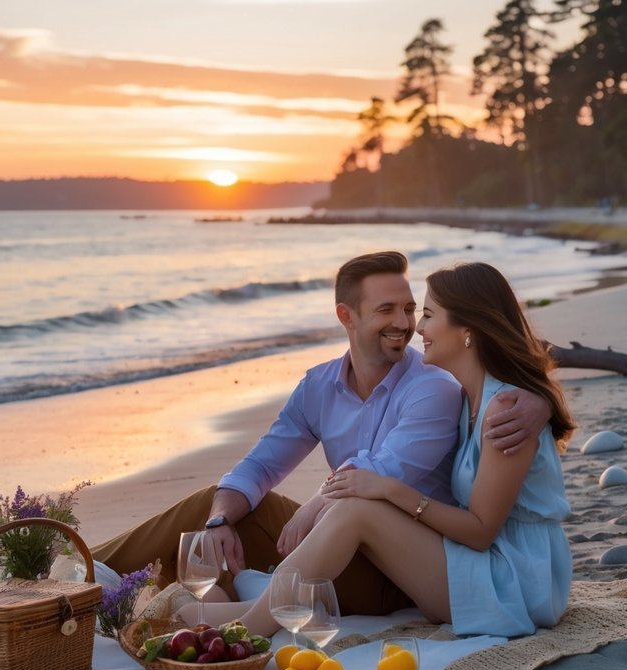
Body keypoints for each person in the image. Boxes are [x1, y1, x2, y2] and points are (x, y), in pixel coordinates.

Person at [94, 251, 551, 616]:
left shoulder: (434, 388)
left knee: (346, 510)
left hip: (397, 570)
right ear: (346, 317)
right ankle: (83, 571)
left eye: (413, 311)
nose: (406, 324)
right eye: (387, 309)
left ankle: (236, 611)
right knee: (218, 506)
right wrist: (219, 519)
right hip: (339, 542)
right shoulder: (319, 385)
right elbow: (260, 464)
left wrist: (316, 504)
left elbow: (382, 471)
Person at [212, 261, 575, 638]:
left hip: (512, 582)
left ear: (467, 330)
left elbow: (482, 531)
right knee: (352, 508)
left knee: (356, 511)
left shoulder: (505, 411)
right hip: (478, 564)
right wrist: (544, 399)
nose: (416, 327)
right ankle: (229, 620)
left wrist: (388, 490)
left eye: (427, 314)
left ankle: (243, 635)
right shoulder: (470, 399)